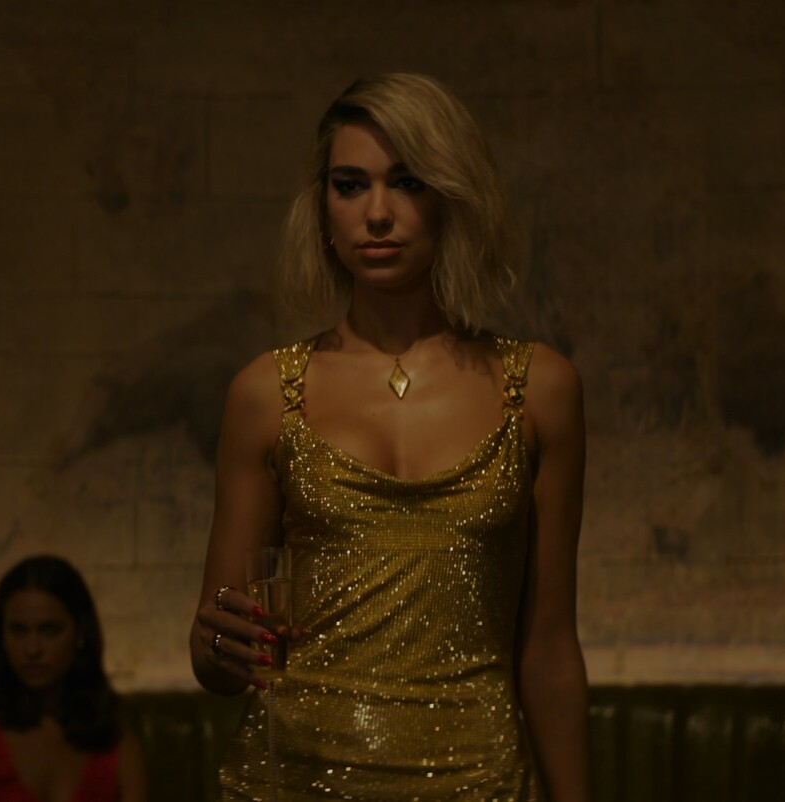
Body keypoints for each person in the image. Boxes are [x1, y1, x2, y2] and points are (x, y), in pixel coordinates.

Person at [188, 72, 592, 801]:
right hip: (294, 781)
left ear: (452, 197)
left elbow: (551, 649)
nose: (377, 213)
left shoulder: (540, 389)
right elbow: (218, 649)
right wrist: (218, 644)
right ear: (322, 210)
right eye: (350, 186)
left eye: (407, 183)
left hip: (481, 783)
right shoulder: (265, 393)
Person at [0, 555, 147, 802]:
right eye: (18, 631)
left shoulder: (118, 747)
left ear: (80, 633)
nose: (32, 649)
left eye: (49, 631)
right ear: (1, 637)